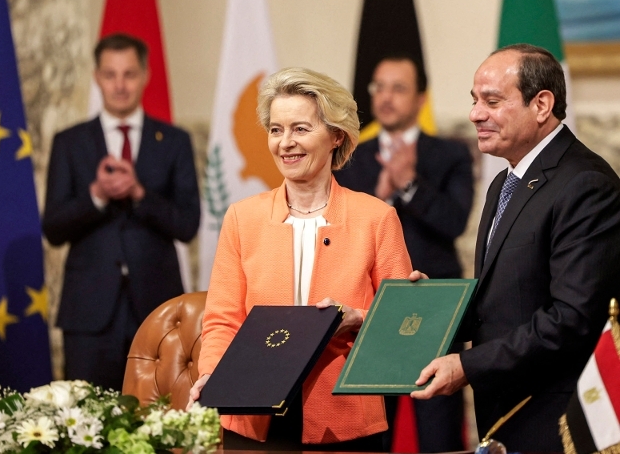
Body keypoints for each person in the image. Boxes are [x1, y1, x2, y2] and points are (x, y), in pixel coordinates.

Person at [189, 67, 413, 451]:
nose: (285, 143)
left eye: (301, 129)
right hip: (252, 417)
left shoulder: (376, 218)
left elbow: (403, 329)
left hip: (345, 422)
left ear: (336, 136)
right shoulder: (242, 218)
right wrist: (214, 375)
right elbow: (223, 320)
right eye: (276, 130)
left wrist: (361, 319)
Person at [411, 43, 620, 452]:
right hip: (507, 414)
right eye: (474, 101)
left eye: (492, 101)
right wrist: (429, 310)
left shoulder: (585, 185)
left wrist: (466, 366)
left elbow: (570, 320)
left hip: (556, 420)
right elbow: (504, 297)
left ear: (542, 104)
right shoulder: (506, 181)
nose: (475, 115)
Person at [42, 33, 200, 392]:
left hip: (157, 309)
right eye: (110, 75)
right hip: (89, 313)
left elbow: (187, 224)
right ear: (97, 77)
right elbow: (53, 227)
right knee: (86, 422)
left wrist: (140, 194)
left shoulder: (174, 141)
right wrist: (96, 195)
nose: (119, 85)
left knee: (157, 419)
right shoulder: (70, 142)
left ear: (145, 75)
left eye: (129, 74)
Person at [335, 54, 473, 452]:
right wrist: (377, 200)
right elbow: (339, 229)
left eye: (398, 88)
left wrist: (409, 184)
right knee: (372, 429)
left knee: (439, 431)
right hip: (369, 307)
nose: (386, 97)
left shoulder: (449, 154)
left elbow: (455, 221)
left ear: (420, 99)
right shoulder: (349, 156)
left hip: (432, 305)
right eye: (379, 87)